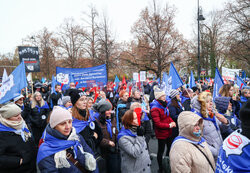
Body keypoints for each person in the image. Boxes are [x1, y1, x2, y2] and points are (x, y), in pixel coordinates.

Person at [37, 106, 98, 173]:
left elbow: (91, 156)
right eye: (63, 124)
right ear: (54, 126)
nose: (68, 127)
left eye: (70, 122)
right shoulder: (45, 150)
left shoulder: (76, 137)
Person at [191, 92, 230, 161]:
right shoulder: (197, 119)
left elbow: (222, 131)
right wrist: (215, 152)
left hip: (220, 151)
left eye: (211, 101)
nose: (211, 103)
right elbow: (197, 140)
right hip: (211, 156)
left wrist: (225, 122)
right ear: (201, 104)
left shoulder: (211, 114)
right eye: (207, 102)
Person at [0, 103, 37, 173]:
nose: (20, 117)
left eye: (20, 113)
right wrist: (18, 161)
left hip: (31, 167)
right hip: (16, 169)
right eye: (16, 115)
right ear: (7, 117)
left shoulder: (24, 125)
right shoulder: (2, 133)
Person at [215, 99, 250, 172]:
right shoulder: (220, 117)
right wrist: (226, 123)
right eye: (228, 103)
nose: (231, 104)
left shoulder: (232, 116)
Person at [150, 88, 176, 173]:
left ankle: (167, 163)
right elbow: (157, 123)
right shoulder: (155, 108)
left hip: (168, 132)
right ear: (158, 97)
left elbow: (167, 116)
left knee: (169, 148)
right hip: (161, 133)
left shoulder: (164, 105)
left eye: (164, 95)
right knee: (160, 151)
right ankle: (161, 168)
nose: (165, 97)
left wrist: (172, 122)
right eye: (163, 95)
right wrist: (169, 125)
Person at [94, 99, 120, 173]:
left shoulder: (112, 118)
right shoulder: (96, 121)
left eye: (110, 110)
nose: (110, 112)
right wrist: (108, 142)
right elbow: (97, 138)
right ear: (102, 111)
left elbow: (116, 131)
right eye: (107, 110)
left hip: (113, 149)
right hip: (103, 151)